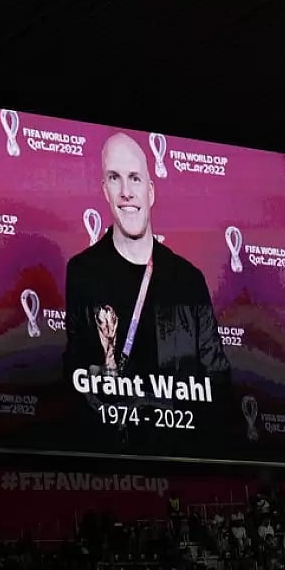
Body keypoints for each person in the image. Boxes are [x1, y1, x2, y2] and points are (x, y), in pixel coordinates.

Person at [63, 132, 231, 450]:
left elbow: (217, 376)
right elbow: (74, 371)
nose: (127, 192)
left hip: (179, 450)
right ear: (104, 190)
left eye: (135, 179)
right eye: (115, 178)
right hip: (110, 450)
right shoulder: (83, 273)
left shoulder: (188, 279)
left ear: (151, 191)